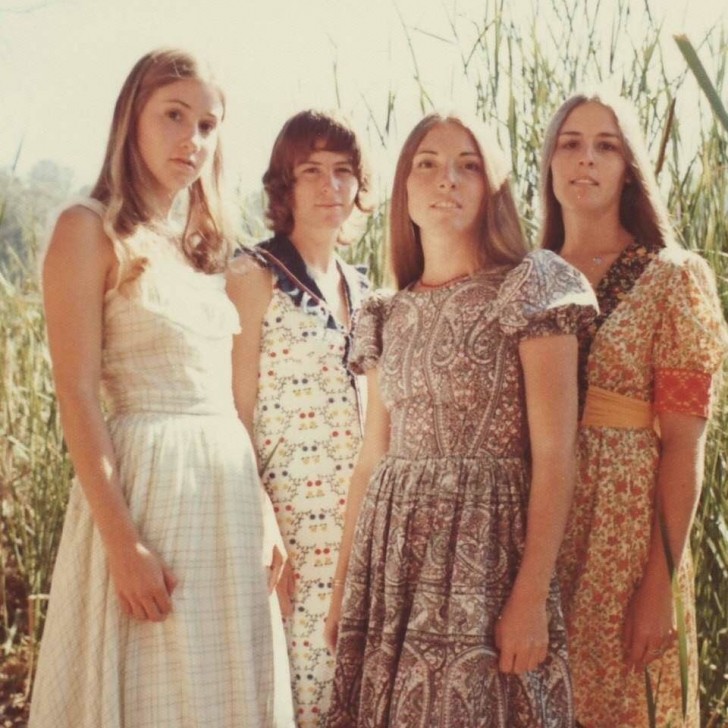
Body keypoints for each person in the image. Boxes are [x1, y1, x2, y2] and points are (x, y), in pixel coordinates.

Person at [30, 48, 291, 727]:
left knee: (226, 693)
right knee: (156, 691)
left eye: (208, 124)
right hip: (148, 495)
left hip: (228, 499)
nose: (192, 139)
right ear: (131, 119)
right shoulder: (88, 229)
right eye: (174, 115)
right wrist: (124, 544)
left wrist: (261, 506)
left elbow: (224, 398)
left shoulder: (203, 246)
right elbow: (78, 396)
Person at [323, 111, 597, 727]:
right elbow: (373, 457)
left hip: (488, 559)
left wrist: (529, 595)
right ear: (405, 189)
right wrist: (344, 584)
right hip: (392, 565)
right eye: (427, 164)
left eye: (467, 165)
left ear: (492, 187)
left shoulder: (530, 286)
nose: (446, 179)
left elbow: (555, 455)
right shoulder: (385, 312)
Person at [539, 92, 728, 727]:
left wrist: (659, 588)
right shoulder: (525, 277)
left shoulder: (673, 277)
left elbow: (684, 444)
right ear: (549, 163)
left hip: (623, 548)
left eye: (606, 145)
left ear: (629, 167)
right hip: (532, 532)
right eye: (569, 143)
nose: (585, 159)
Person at [226, 109, 372, 727]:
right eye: (311, 171)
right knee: (293, 691)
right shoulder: (252, 273)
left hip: (358, 527)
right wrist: (260, 516)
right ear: (283, 186)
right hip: (286, 523)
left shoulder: (365, 288)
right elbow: (230, 408)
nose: (329, 186)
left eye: (343, 172)